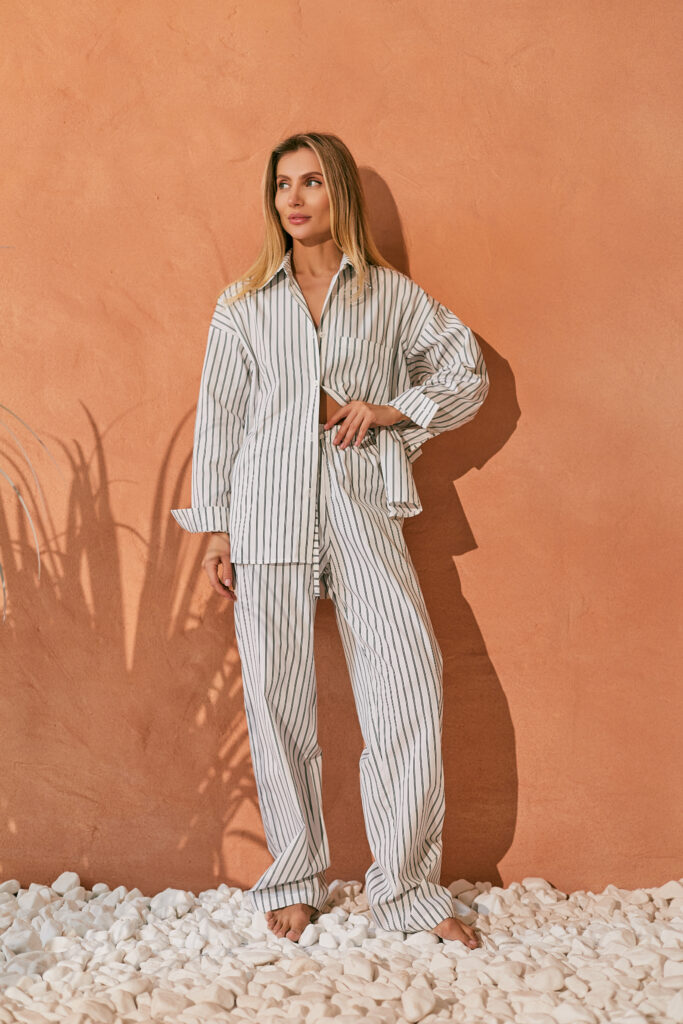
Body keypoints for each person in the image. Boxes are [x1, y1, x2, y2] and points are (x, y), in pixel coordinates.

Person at [171, 131, 489, 949]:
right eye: (282, 185)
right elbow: (220, 420)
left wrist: (393, 410)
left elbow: (466, 372)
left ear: (338, 191)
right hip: (266, 511)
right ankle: (294, 878)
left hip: (360, 504)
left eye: (311, 182)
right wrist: (218, 529)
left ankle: (407, 890)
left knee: (407, 684)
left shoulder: (389, 296)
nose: (294, 198)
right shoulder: (242, 303)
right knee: (275, 700)